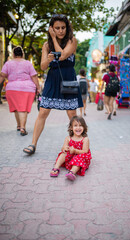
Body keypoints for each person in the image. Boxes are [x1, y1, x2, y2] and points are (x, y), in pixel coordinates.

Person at [23, 14, 83, 155]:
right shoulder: (46, 45)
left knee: (72, 113)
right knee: (43, 112)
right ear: (52, 29)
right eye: (57, 28)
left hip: (68, 78)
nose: (61, 30)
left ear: (67, 28)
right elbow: (43, 67)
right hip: (52, 79)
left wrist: (54, 39)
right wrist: (49, 59)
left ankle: (79, 144)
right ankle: (33, 144)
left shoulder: (72, 40)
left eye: (63, 27)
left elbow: (62, 55)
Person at [0, 46, 40, 135]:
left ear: (13, 54)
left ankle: (19, 126)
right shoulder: (28, 64)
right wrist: (38, 87)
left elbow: (2, 75)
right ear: (23, 54)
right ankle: (22, 127)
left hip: (12, 88)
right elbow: (34, 76)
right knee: (23, 109)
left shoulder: (8, 63)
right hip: (27, 89)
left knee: (17, 108)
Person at [50, 116, 92, 181]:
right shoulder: (68, 138)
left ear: (84, 127)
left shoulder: (85, 139)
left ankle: (72, 172)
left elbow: (85, 151)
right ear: (71, 128)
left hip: (80, 157)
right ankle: (56, 167)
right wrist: (65, 148)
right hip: (70, 157)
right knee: (63, 153)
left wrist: (75, 151)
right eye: (75, 125)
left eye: (80, 125)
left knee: (80, 158)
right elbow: (63, 148)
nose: (78, 128)